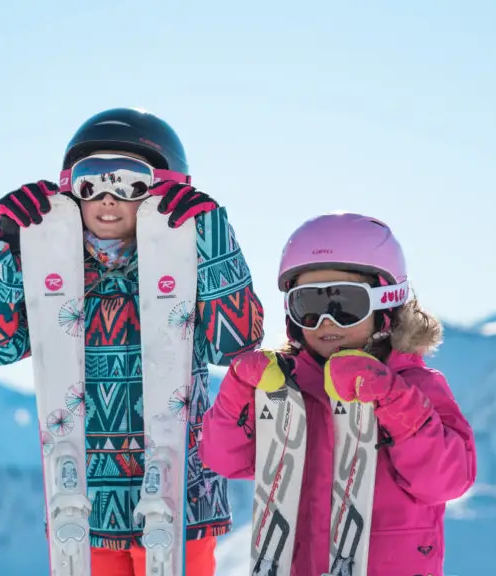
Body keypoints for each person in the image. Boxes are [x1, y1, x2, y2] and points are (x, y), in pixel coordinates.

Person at [0, 107, 266, 575]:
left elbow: (236, 341)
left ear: (166, 187)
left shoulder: (189, 273)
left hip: (180, 504)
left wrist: (213, 239)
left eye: (128, 182)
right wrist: (7, 247)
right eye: (90, 181)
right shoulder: (55, 276)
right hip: (81, 507)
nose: (107, 197)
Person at [200, 212, 477, 576]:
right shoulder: (288, 387)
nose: (325, 321)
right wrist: (238, 391)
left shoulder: (415, 387)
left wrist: (393, 399)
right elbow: (225, 459)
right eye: (308, 306)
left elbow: (447, 479)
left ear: (386, 305)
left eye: (344, 304)